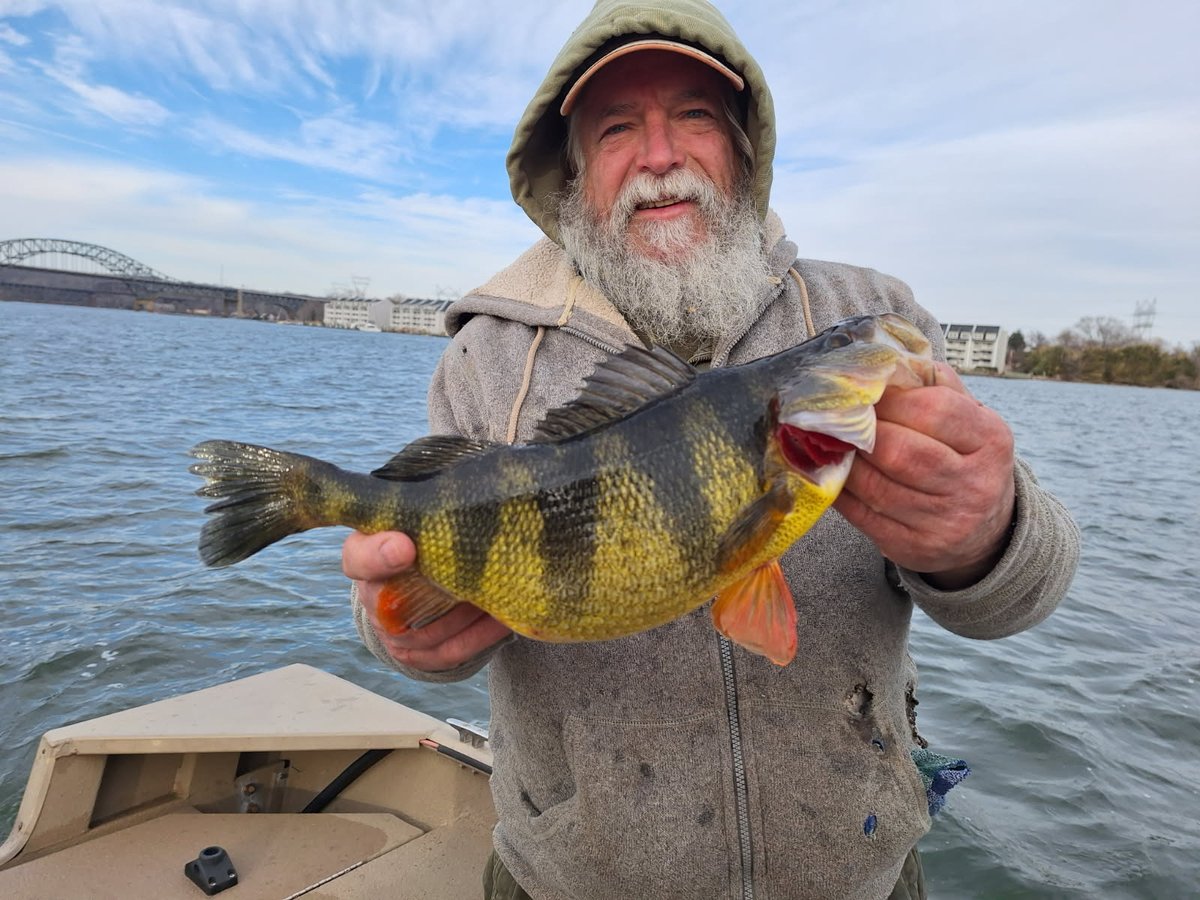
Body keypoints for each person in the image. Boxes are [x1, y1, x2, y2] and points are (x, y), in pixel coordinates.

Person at [345, 1, 1081, 897]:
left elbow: (1024, 594)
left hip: (859, 875)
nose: (659, 156)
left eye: (693, 115)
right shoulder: (486, 359)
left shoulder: (867, 321)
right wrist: (407, 634)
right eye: (618, 128)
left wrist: (985, 537)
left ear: (743, 147)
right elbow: (404, 595)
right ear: (573, 173)